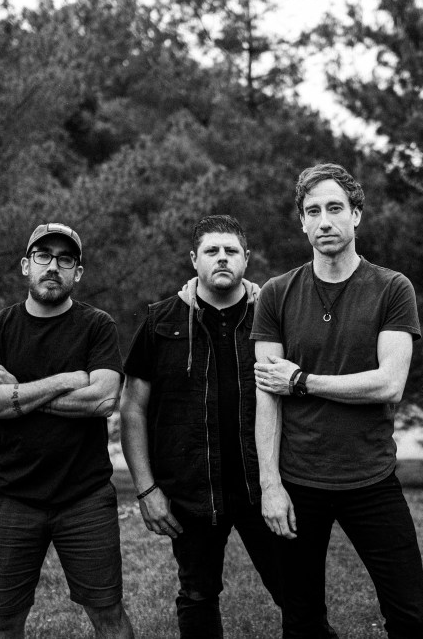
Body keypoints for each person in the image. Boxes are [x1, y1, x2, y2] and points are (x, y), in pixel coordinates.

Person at [121, 215, 336, 638]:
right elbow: (132, 410)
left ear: (246, 259)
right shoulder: (160, 320)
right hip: (191, 491)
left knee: (298, 596)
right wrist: (146, 490)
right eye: (211, 251)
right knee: (197, 595)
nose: (222, 258)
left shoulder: (272, 316)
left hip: (267, 486)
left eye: (231, 250)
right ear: (193, 259)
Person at [252, 163, 423, 639]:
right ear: (302, 222)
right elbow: (267, 396)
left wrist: (302, 381)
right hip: (298, 481)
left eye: (335, 208)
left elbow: (389, 384)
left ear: (356, 215)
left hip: (370, 477)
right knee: (302, 622)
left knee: (411, 618)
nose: (325, 221)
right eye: (313, 211)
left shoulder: (392, 288)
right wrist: (270, 485)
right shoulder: (276, 294)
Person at [0, 222, 134, 639]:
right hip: (13, 495)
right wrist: (66, 380)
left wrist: (17, 392)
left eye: (65, 259)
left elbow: (103, 400)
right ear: (26, 265)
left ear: (77, 272)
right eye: (43, 256)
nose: (53, 267)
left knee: (109, 615)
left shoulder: (97, 325)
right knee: (5, 621)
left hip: (85, 496)